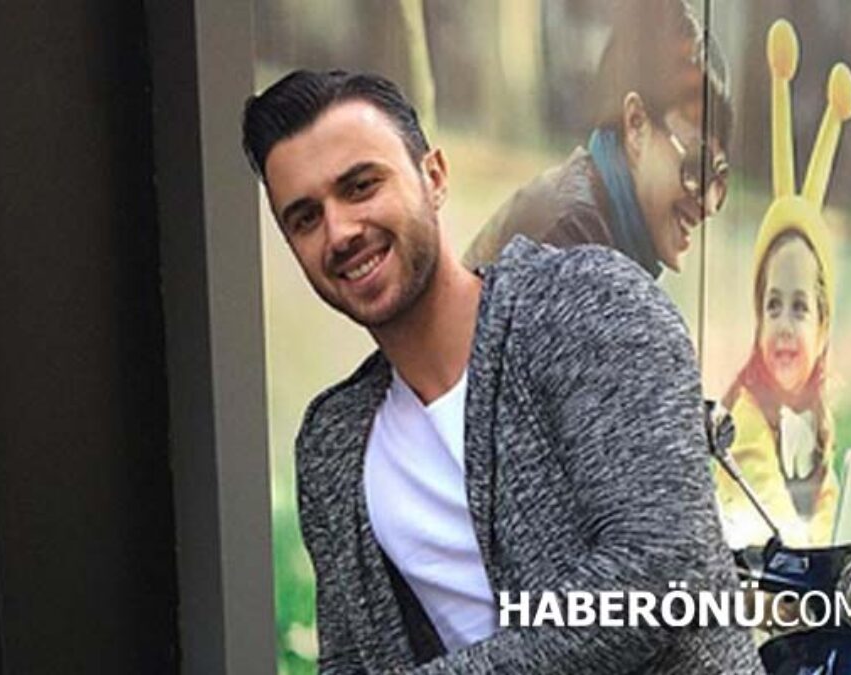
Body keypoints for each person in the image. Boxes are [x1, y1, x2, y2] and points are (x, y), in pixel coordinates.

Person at [242, 69, 762, 673]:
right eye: (305, 218)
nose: (339, 233)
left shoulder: (583, 307)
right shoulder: (334, 441)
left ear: (434, 177)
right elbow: (350, 661)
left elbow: (662, 573)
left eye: (360, 187)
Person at [462, 0, 731, 277]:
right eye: (697, 168)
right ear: (636, 124)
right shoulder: (572, 248)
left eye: (720, 177)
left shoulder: (599, 218)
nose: (710, 205)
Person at [713, 19, 851, 549]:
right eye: (772, 306)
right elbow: (776, 524)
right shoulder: (747, 417)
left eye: (800, 308)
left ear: (824, 325)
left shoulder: (817, 413)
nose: (784, 325)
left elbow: (830, 502)